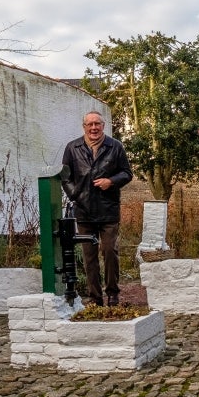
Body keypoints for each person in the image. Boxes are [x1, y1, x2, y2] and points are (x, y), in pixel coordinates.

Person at [60, 110, 133, 307]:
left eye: (97, 124)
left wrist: (111, 181)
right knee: (89, 256)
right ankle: (95, 297)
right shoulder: (72, 147)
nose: (94, 128)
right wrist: (76, 195)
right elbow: (65, 176)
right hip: (83, 211)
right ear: (84, 127)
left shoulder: (115, 146)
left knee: (110, 251)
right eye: (90, 124)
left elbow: (127, 173)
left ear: (103, 126)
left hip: (108, 210)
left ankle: (113, 293)